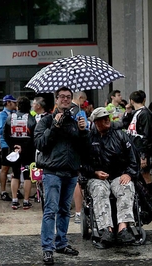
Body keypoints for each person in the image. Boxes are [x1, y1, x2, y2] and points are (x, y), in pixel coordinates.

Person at [34, 86, 88, 265]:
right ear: (56, 99)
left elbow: (83, 149)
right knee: (50, 210)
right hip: (52, 173)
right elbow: (40, 144)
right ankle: (47, 248)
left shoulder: (75, 121)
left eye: (68, 97)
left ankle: (61, 243)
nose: (65, 100)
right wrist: (55, 126)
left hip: (71, 172)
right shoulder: (46, 121)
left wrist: (83, 132)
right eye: (62, 97)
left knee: (65, 210)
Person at [82, 107, 140, 248]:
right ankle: (106, 230)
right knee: (100, 191)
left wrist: (128, 173)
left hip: (118, 175)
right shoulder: (88, 139)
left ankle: (123, 228)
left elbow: (134, 159)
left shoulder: (120, 135)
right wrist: (95, 173)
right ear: (96, 122)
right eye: (102, 118)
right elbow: (82, 164)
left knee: (126, 186)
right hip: (96, 177)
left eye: (107, 117)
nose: (107, 119)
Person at [3, 96, 37, 210]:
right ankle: (26, 201)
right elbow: (34, 136)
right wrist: (25, 147)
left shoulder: (10, 118)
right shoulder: (31, 118)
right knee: (27, 176)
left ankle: (14, 200)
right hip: (28, 150)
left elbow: (5, 134)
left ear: (17, 106)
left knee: (15, 174)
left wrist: (13, 146)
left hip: (14, 150)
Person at [122, 90, 152, 195]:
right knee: (138, 174)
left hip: (141, 148)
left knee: (145, 174)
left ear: (131, 101)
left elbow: (147, 135)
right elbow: (125, 125)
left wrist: (143, 155)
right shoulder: (135, 113)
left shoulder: (145, 113)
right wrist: (127, 113)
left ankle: (149, 197)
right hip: (134, 147)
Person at [69, 91, 89, 223]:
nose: (84, 104)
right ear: (80, 98)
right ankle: (78, 212)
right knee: (78, 181)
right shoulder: (79, 112)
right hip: (78, 149)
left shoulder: (65, 110)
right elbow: (85, 129)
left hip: (66, 150)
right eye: (84, 101)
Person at [0, 95, 19, 201]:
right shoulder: (2, 115)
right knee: (5, 168)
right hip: (5, 145)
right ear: (9, 103)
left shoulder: (15, 114)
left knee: (15, 168)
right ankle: (3, 191)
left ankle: (15, 190)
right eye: (14, 103)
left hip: (14, 145)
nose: (16, 105)